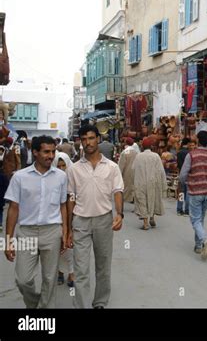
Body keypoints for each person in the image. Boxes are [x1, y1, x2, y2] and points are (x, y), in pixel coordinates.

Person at [3, 135, 68, 308]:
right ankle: (34, 305)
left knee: (49, 279)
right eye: (46, 152)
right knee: (23, 280)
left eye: (53, 151)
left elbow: (63, 206)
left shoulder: (61, 177)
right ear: (35, 152)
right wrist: (8, 240)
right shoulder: (20, 177)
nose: (51, 156)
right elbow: (13, 209)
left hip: (52, 231)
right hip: (26, 232)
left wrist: (65, 232)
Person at [66, 124, 124, 309]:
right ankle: (81, 305)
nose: (88, 142)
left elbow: (117, 191)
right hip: (80, 221)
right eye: (84, 139)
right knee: (81, 269)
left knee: (103, 266)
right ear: (80, 142)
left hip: (103, 220)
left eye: (91, 138)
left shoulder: (112, 167)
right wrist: (68, 228)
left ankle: (100, 302)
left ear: (98, 139)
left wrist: (119, 213)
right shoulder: (73, 169)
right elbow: (71, 198)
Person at [179, 131, 207, 260]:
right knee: (200, 219)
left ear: (197, 141)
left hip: (195, 192)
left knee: (195, 220)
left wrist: (185, 183)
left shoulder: (192, 155)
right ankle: (198, 246)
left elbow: (183, 174)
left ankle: (204, 240)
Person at [133, 137, 167, 230]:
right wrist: (164, 184)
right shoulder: (156, 156)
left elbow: (134, 169)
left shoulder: (138, 156)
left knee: (142, 201)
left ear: (142, 147)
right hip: (153, 181)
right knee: (153, 199)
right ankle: (152, 217)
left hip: (141, 182)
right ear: (151, 147)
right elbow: (161, 170)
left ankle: (145, 223)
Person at [52, 152, 75, 287]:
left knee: (71, 246)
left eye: (63, 166)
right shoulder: (52, 180)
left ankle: (71, 273)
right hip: (57, 217)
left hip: (72, 216)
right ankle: (60, 272)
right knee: (58, 245)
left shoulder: (73, 178)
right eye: (58, 166)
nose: (61, 169)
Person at [118, 137, 138, 204]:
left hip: (126, 171)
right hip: (134, 171)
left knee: (126, 186)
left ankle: (123, 200)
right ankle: (132, 198)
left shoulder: (125, 152)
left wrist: (119, 173)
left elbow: (121, 164)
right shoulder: (136, 152)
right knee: (133, 185)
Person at [176, 138, 190, 216]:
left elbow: (178, 165)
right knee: (188, 193)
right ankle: (187, 210)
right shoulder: (189, 153)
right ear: (187, 144)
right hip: (188, 175)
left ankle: (179, 209)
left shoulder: (179, 153)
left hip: (181, 173)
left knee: (181, 193)